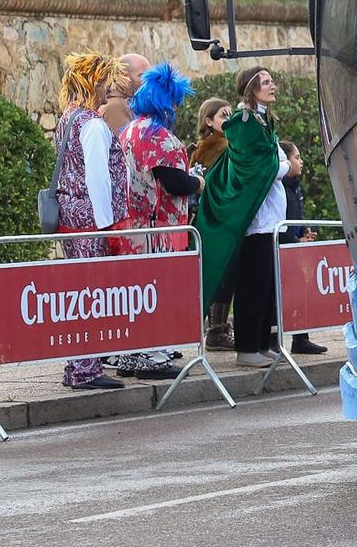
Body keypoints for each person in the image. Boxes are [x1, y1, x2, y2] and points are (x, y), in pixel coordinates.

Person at [107, 62, 200, 381]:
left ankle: (132, 352)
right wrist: (197, 183)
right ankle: (152, 356)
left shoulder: (131, 129)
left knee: (133, 292)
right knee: (153, 291)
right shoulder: (156, 135)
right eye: (174, 102)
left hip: (130, 227)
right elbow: (174, 182)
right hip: (155, 231)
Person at [194, 67, 287, 368]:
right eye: (265, 82)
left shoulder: (261, 120)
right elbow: (257, 167)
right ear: (251, 88)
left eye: (271, 80)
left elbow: (272, 159)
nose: (272, 85)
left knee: (267, 285)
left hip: (269, 219)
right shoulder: (245, 122)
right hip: (255, 220)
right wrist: (282, 166)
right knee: (252, 285)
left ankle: (261, 343)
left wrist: (279, 162)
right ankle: (247, 347)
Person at [52, 52, 129, 390]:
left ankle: (78, 364)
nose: (108, 87)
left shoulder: (68, 118)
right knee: (90, 293)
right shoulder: (93, 124)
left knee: (77, 291)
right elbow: (98, 178)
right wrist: (108, 225)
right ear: (94, 81)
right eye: (105, 80)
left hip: (70, 216)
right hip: (89, 221)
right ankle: (86, 369)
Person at [276, 142, 328, 357]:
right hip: (282, 249)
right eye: (297, 157)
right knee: (282, 295)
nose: (301, 161)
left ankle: (301, 338)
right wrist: (295, 241)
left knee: (301, 292)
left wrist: (306, 231)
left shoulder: (296, 187)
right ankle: (274, 340)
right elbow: (280, 224)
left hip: (295, 247)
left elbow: (298, 216)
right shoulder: (281, 188)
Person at [190, 96, 234, 350]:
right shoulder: (220, 148)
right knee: (223, 274)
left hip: (209, 220)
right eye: (223, 116)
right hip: (218, 219)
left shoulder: (203, 148)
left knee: (221, 274)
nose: (229, 120)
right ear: (209, 121)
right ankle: (216, 330)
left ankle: (216, 328)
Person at [100, 53, 152, 136]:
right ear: (124, 77)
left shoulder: (129, 101)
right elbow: (127, 146)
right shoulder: (115, 107)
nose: (148, 81)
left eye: (150, 76)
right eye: (142, 76)